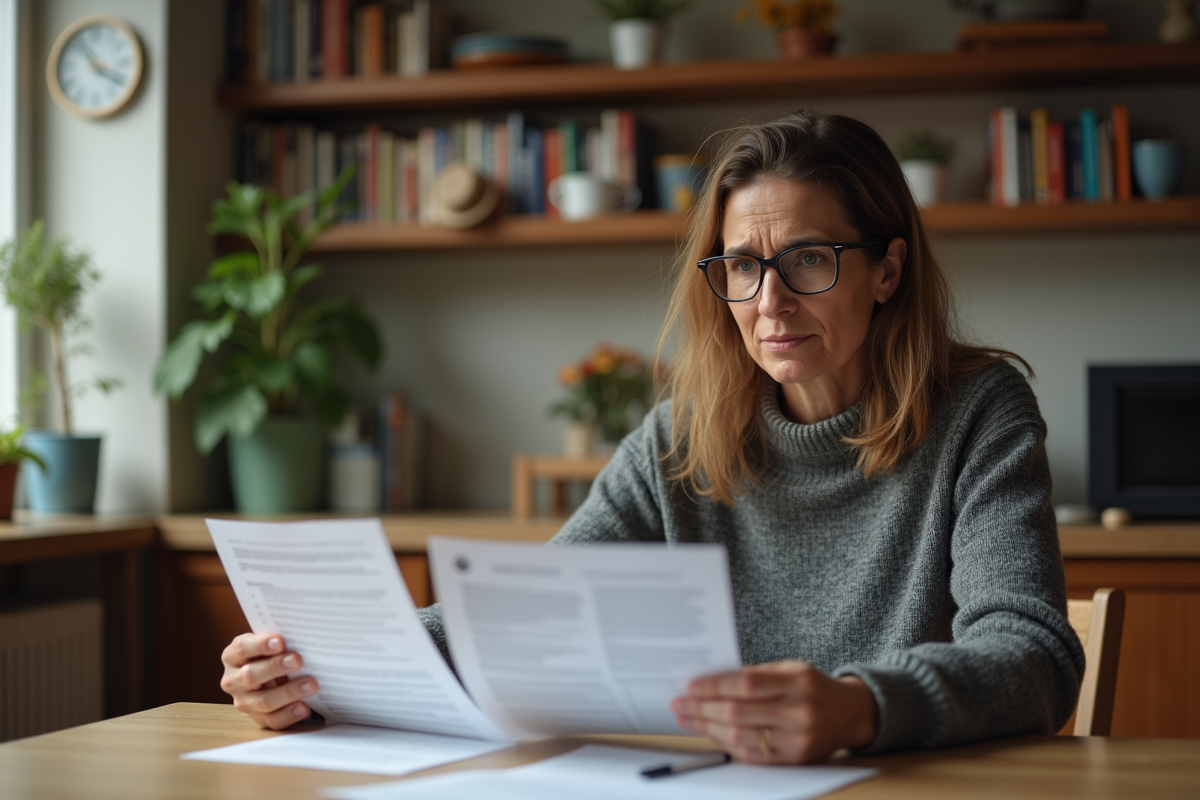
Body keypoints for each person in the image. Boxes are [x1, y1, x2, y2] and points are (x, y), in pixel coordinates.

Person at [220, 110, 1084, 764]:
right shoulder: (682, 438)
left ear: (887, 269)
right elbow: (518, 617)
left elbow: (1032, 657)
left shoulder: (980, 411)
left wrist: (861, 705)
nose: (770, 303)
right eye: (743, 266)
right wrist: (318, 674)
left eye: (810, 259)